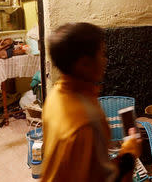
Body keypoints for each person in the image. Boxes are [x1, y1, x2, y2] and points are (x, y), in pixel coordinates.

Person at [41, 22, 141, 182]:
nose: (105, 60)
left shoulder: (55, 95)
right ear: (84, 64)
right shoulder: (86, 122)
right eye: (101, 54)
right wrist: (130, 152)